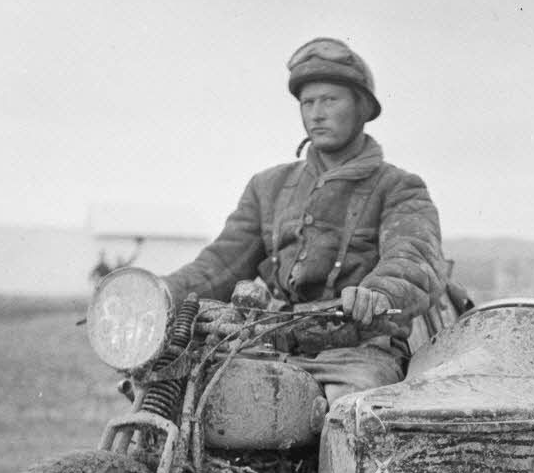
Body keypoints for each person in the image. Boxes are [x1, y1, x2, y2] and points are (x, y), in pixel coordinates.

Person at [162, 37, 447, 404]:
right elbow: (219, 264)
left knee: (351, 409)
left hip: (357, 351)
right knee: (182, 392)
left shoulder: (398, 187)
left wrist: (376, 295)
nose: (316, 113)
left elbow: (414, 258)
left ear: (361, 108)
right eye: (307, 102)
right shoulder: (268, 186)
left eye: (330, 100)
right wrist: (162, 292)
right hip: (261, 343)